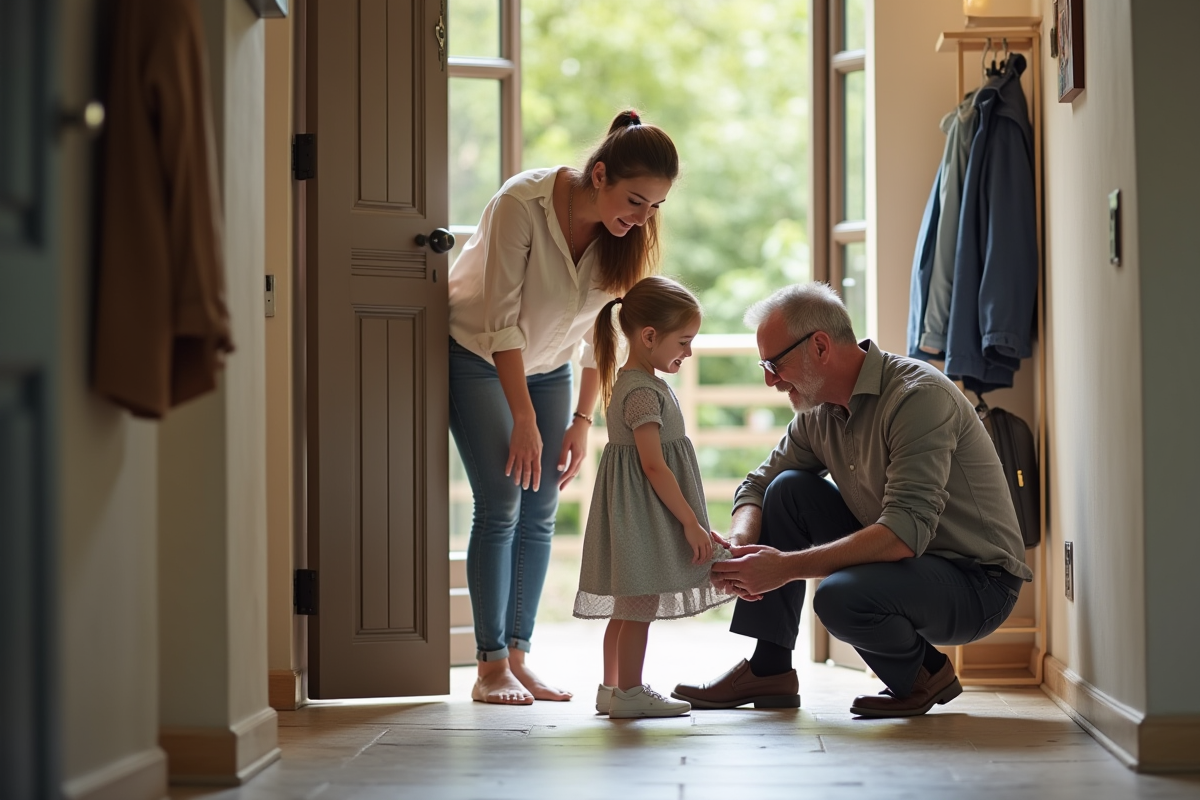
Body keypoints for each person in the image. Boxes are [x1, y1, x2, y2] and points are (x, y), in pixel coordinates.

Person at [670, 282, 1031, 718]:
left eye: (774, 363)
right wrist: (742, 545)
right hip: (909, 565)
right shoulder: (818, 412)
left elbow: (904, 533)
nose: (769, 380)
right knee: (787, 489)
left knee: (839, 598)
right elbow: (759, 485)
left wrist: (781, 569)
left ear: (820, 346)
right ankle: (770, 671)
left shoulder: (917, 397)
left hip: (977, 583)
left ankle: (925, 674)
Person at [448, 110, 680, 705]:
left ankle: (520, 656)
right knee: (501, 500)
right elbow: (501, 324)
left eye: (655, 206)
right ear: (597, 175)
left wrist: (583, 420)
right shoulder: (520, 206)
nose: (642, 217)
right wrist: (523, 419)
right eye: (635, 200)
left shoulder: (625, 237)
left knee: (543, 500)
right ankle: (490, 665)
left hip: (550, 365)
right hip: (478, 352)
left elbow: (603, 334)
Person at [573, 276, 733, 719]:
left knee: (626, 611)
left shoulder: (636, 381)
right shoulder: (642, 391)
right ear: (649, 337)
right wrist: (690, 522)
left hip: (637, 514)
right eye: (683, 341)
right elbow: (653, 465)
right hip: (643, 517)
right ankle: (629, 691)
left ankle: (611, 689)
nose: (689, 352)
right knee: (639, 608)